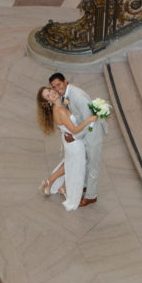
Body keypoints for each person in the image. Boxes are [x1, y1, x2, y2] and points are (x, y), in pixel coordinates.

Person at [49, 72, 107, 207]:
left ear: (65, 81)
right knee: (85, 161)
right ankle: (85, 186)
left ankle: (91, 196)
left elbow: (91, 121)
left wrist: (74, 137)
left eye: (58, 84)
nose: (57, 89)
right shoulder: (65, 94)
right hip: (84, 131)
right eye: (54, 87)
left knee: (93, 165)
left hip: (93, 133)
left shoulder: (78, 96)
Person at [36, 86, 98, 211]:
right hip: (74, 143)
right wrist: (89, 120)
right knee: (75, 164)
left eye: (50, 91)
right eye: (48, 96)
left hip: (69, 141)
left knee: (70, 163)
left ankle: (56, 184)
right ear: (48, 101)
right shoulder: (60, 111)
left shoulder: (60, 105)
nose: (52, 93)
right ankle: (55, 183)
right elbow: (74, 130)